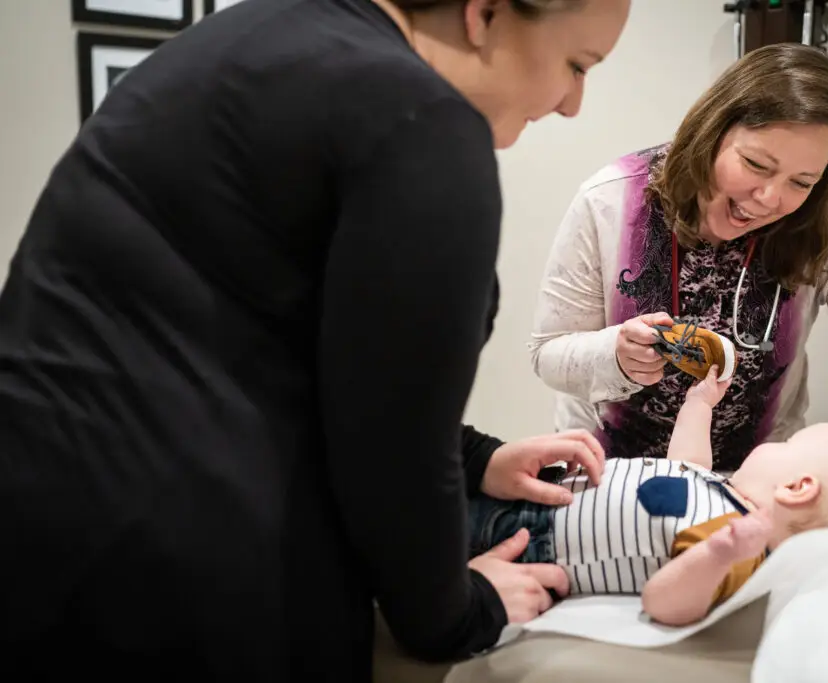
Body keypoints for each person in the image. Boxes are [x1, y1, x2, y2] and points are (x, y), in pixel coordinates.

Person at [0, 0, 630, 679]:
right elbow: (391, 453)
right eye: (575, 65)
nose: (572, 104)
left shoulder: (261, 33)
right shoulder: (424, 124)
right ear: (485, 12)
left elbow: (294, 344)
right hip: (180, 592)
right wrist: (466, 607)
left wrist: (476, 456)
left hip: (37, 532)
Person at [529, 43, 828, 472]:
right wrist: (615, 356)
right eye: (756, 165)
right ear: (711, 132)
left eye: (802, 181)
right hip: (607, 474)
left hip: (754, 482)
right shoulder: (611, 202)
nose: (770, 198)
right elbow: (548, 353)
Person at [467, 364, 828, 626]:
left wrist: (718, 555)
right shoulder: (722, 491)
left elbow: (663, 603)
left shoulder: (738, 548)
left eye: (789, 446)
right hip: (540, 490)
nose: (776, 443)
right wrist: (699, 405)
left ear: (798, 488)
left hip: (528, 538)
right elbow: (687, 463)